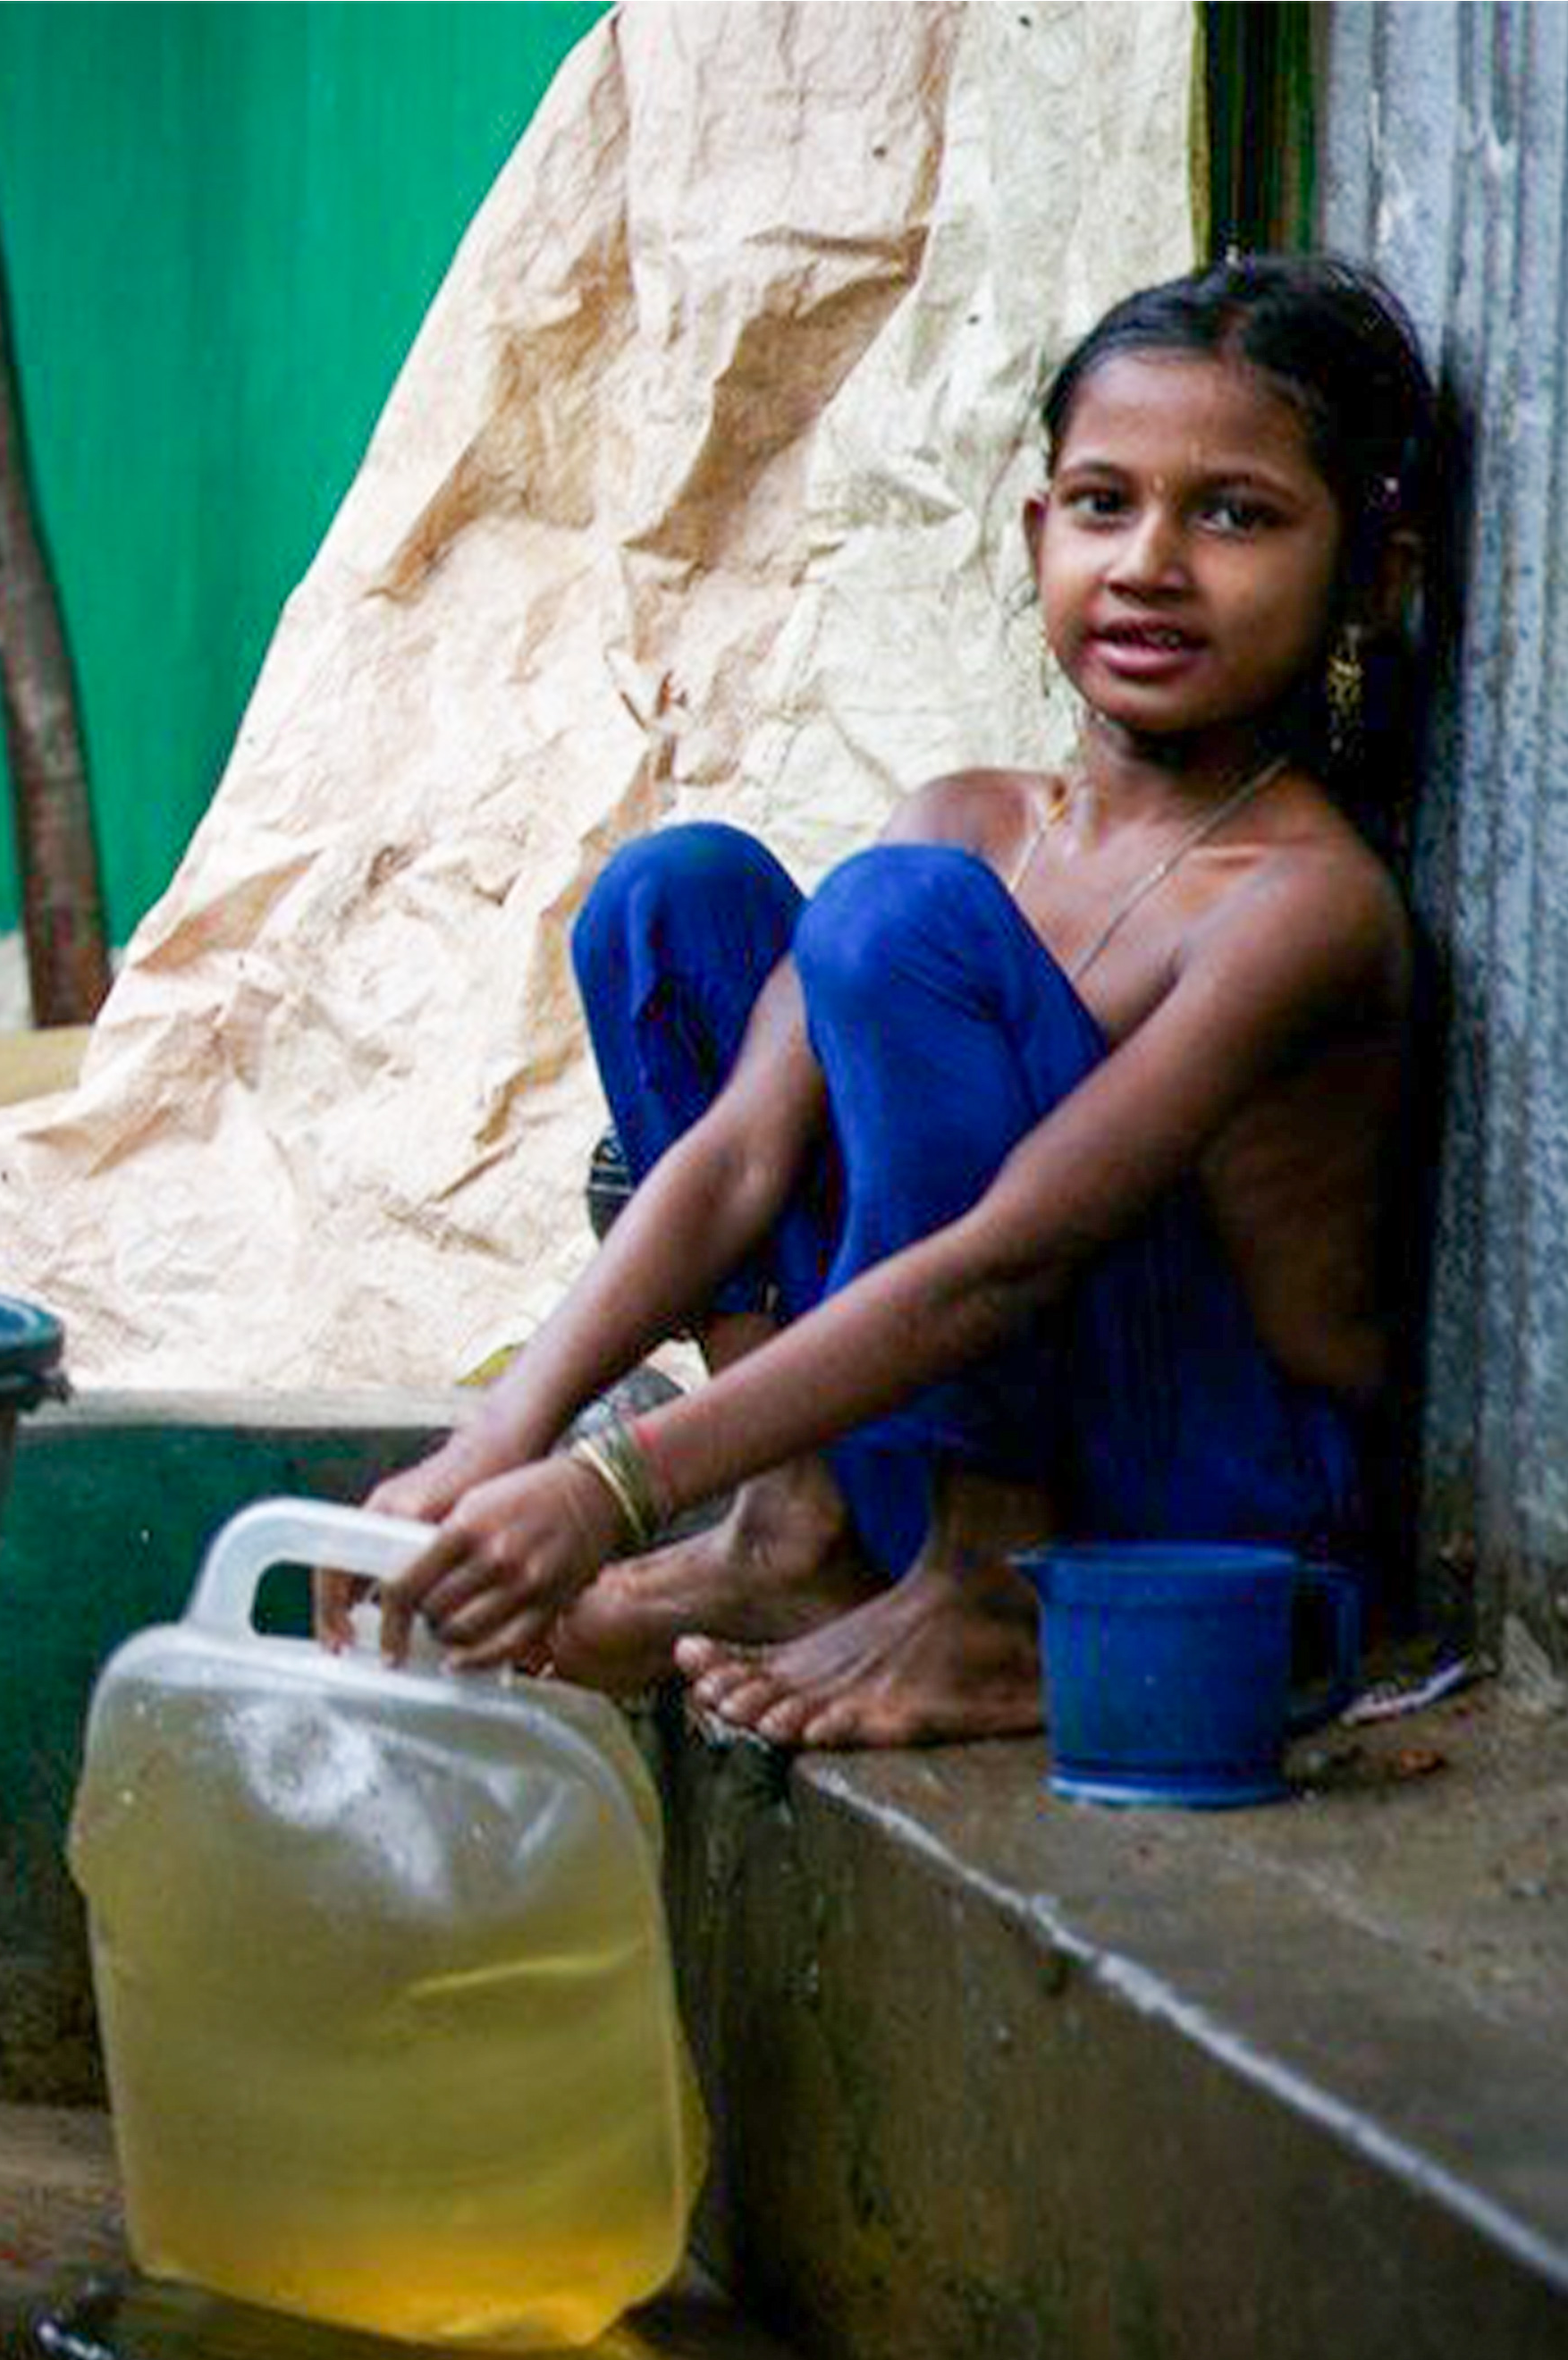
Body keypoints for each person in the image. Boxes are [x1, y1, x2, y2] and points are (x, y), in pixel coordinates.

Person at [321, 255, 1440, 1752]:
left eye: (1235, 515)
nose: (1151, 564)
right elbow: (733, 1160)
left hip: (1209, 1512)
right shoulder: (969, 819)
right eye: (1105, 505)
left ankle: (986, 1595)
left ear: (1375, 573)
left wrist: (609, 1489)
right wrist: (495, 1442)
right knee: (676, 900)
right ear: (1041, 529)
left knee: (895, 924)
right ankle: (803, 1535)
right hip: (949, 1396)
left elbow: (1003, 1264)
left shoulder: (1300, 903)